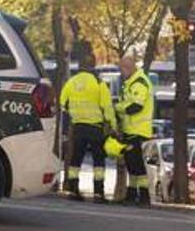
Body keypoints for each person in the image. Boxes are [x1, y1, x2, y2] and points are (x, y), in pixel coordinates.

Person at [59, 52, 116, 203]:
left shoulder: (71, 82)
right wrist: (112, 125)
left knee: (76, 160)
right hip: (95, 128)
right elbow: (107, 106)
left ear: (79, 65)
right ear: (93, 65)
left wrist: (71, 115)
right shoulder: (98, 82)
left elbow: (62, 102)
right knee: (98, 161)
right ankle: (98, 193)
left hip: (77, 127)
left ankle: (72, 190)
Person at [115, 56, 154, 207]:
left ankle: (143, 197)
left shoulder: (139, 83)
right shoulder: (131, 83)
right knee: (131, 163)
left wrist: (118, 108)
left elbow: (136, 107)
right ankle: (132, 195)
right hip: (131, 129)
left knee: (136, 163)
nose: (121, 72)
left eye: (122, 69)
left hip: (138, 130)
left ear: (129, 68)